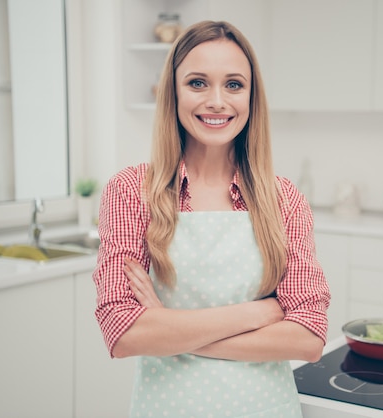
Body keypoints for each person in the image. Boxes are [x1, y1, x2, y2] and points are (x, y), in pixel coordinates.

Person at [92, 20, 331, 417]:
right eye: (198, 83)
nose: (217, 101)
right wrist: (258, 312)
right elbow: (123, 332)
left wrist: (168, 327)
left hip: (265, 407)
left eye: (234, 84)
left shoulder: (283, 198)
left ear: (252, 98)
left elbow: (308, 337)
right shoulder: (132, 191)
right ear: (174, 92)